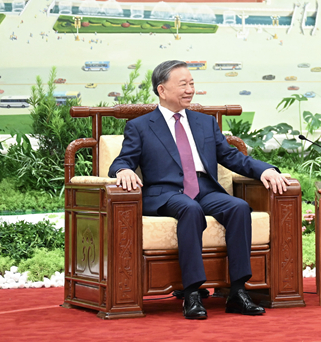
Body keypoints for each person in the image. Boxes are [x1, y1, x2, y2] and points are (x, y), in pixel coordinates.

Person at [110, 59, 290, 320]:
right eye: (183, 84)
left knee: (238, 207)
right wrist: (123, 171)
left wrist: (264, 170)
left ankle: (237, 292)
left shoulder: (205, 123)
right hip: (166, 193)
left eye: (192, 83)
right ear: (162, 90)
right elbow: (123, 160)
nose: (190, 90)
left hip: (204, 189)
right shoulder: (140, 126)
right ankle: (192, 293)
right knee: (190, 209)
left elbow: (231, 157)